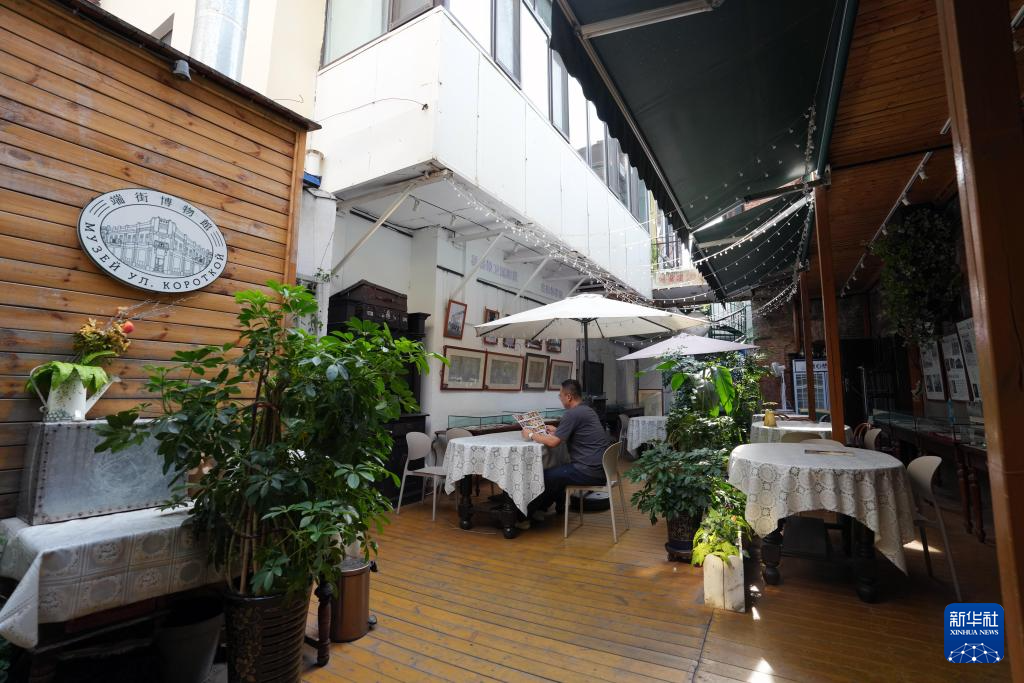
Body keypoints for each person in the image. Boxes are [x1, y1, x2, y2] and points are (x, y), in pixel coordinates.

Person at [522, 379, 609, 525]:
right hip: (600, 469)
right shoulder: (587, 410)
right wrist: (558, 430)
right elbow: (578, 433)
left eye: (560, 395)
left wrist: (530, 434)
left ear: (568, 397)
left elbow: (553, 442)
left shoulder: (572, 414)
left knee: (545, 476)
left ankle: (525, 517)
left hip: (588, 471)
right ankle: (544, 509)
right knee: (557, 472)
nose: (560, 398)